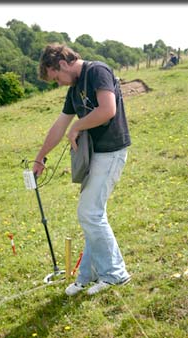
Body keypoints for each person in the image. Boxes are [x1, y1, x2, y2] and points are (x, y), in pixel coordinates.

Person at [33, 43, 131, 296]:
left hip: (111, 152)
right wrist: (41, 156)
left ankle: (115, 274)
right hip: (94, 156)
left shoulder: (97, 71)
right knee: (91, 214)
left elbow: (107, 110)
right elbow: (59, 124)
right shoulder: (74, 87)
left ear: (63, 64)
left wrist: (77, 127)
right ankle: (87, 276)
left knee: (90, 213)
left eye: (57, 78)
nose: (59, 83)